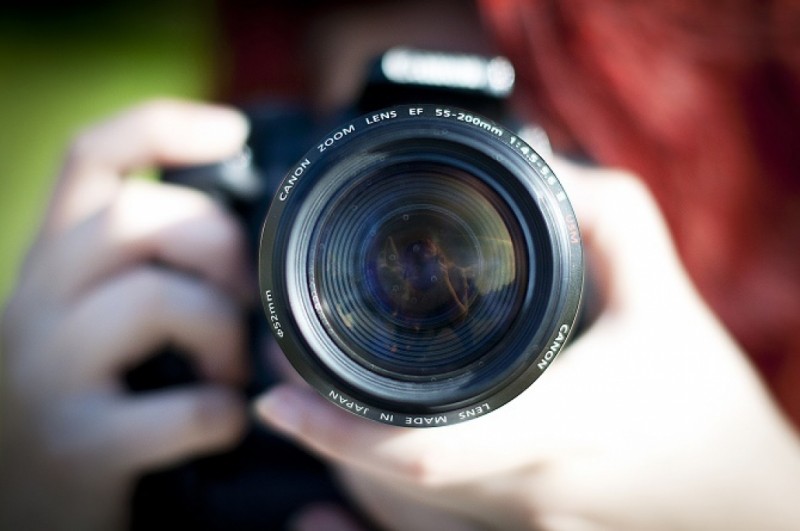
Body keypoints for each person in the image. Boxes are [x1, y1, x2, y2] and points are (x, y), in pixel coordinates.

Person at [2, 1, 799, 530]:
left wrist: (759, 498)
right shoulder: (214, 455)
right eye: (359, 161)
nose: (422, 264)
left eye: (513, 171)